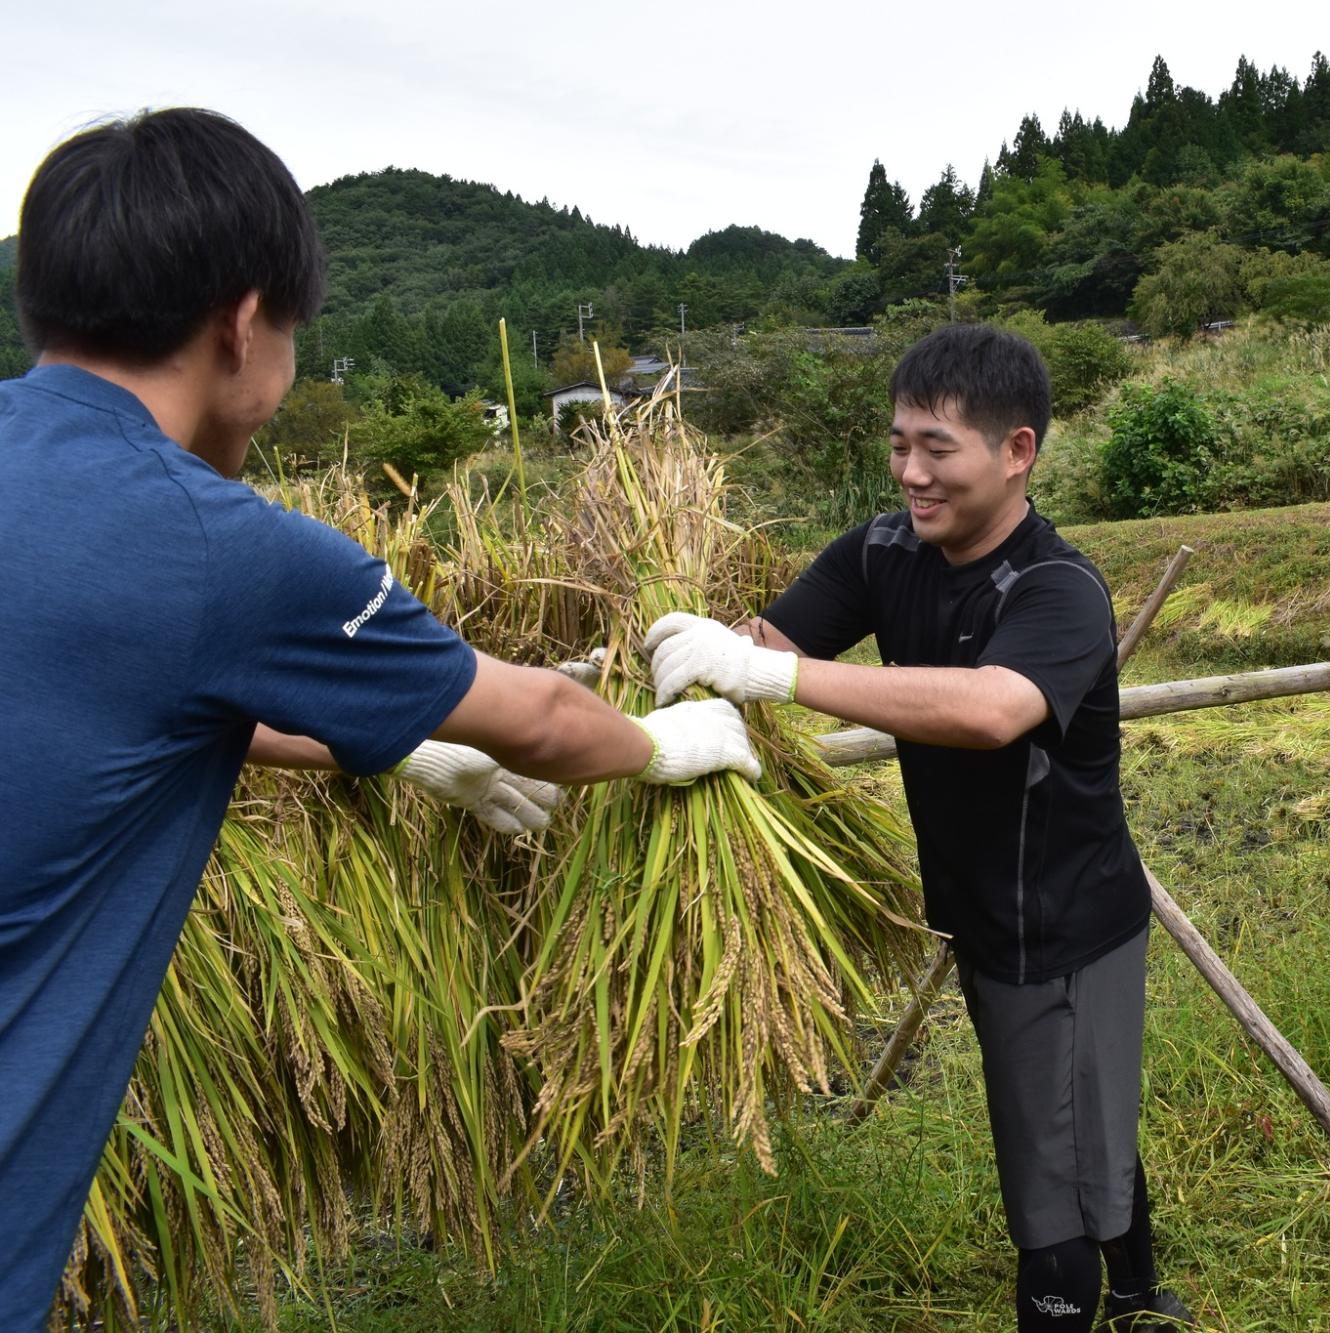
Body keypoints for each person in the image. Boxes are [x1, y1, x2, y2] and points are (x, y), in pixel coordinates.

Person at [0, 109, 760, 1329]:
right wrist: (664, 743)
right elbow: (548, 717)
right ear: (243, 321)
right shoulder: (221, 545)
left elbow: (116, 701)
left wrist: (400, 744)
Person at [641, 324, 1188, 1332]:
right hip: (985, 907)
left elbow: (989, 708)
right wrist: (673, 656)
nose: (910, 473)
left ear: (1015, 450)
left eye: (937, 449)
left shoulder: (1057, 589)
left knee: (1047, 1160)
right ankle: (1146, 1295)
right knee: (1073, 1117)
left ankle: (1097, 1301)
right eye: (898, 445)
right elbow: (766, 640)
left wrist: (776, 677)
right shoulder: (882, 549)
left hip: (1059, 922)